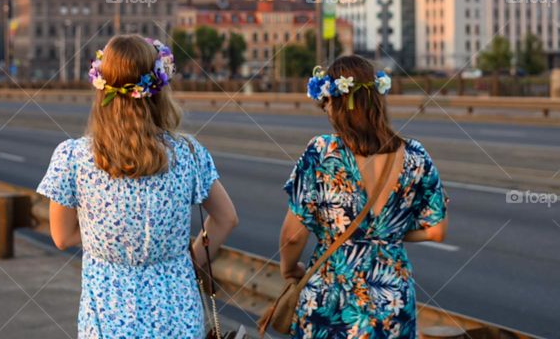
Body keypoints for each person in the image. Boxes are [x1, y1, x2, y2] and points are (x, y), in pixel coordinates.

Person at [37, 34, 238, 339]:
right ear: (158, 89)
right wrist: (189, 259)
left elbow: (62, 237)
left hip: (106, 320)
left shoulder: (73, 156)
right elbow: (226, 219)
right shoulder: (188, 152)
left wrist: (105, 238)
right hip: (179, 318)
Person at [278, 55, 449, 339]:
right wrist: (387, 234)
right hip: (392, 300)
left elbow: (293, 236)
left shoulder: (323, 152)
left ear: (338, 103)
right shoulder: (416, 156)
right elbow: (437, 231)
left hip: (333, 300)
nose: (326, 111)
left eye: (327, 104)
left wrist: (288, 269)